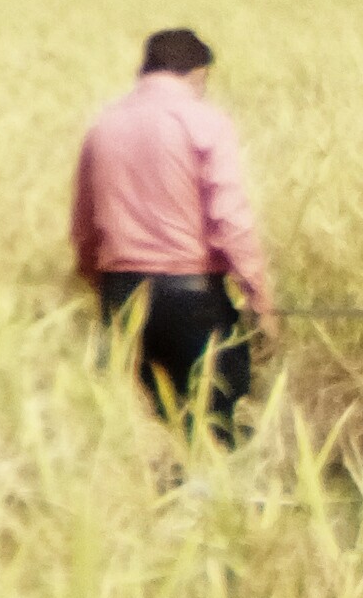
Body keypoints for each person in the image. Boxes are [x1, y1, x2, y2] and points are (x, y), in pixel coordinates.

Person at [71, 27, 278, 445]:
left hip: (122, 294)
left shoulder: (103, 125)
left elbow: (84, 226)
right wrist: (260, 301)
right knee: (217, 422)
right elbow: (230, 221)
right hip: (191, 296)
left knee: (151, 428)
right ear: (199, 73)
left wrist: (101, 290)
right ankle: (213, 484)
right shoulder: (205, 122)